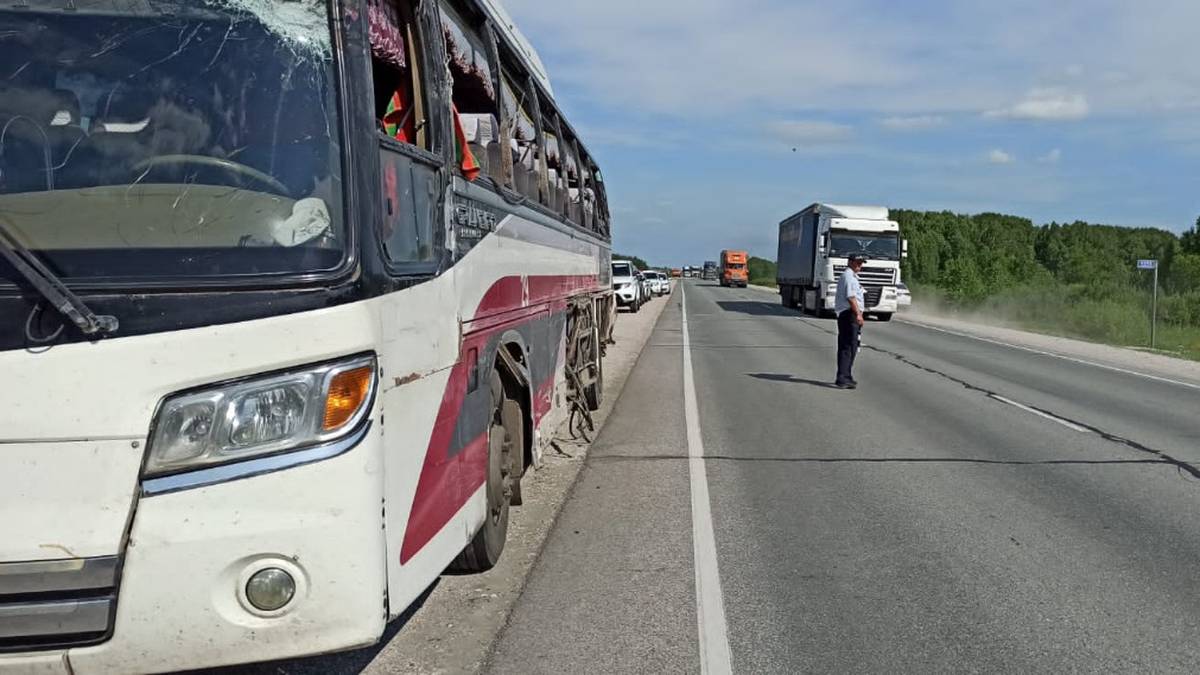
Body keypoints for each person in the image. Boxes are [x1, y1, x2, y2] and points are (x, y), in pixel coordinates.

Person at [834, 253, 868, 389]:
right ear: (850, 262)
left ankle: (846, 375)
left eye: (861, 262)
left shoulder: (853, 276)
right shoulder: (848, 276)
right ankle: (843, 377)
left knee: (852, 347)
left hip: (850, 314)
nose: (860, 265)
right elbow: (851, 297)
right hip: (849, 314)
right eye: (857, 262)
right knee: (848, 347)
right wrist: (858, 314)